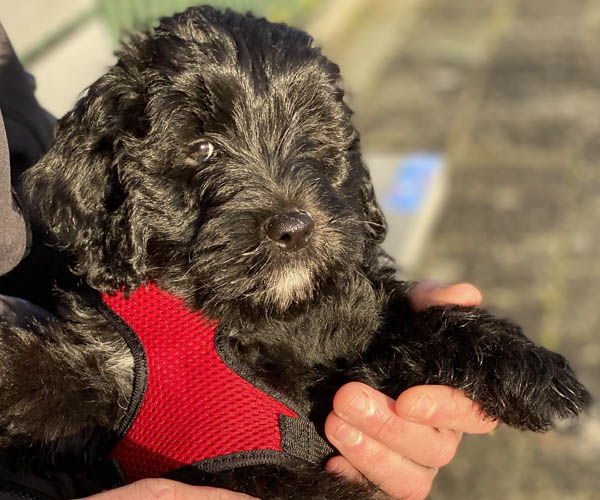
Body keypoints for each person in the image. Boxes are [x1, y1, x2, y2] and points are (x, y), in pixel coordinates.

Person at [0, 22, 495, 500]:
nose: (290, 214)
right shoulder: (98, 340)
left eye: (308, 140)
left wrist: (424, 363)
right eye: (202, 150)